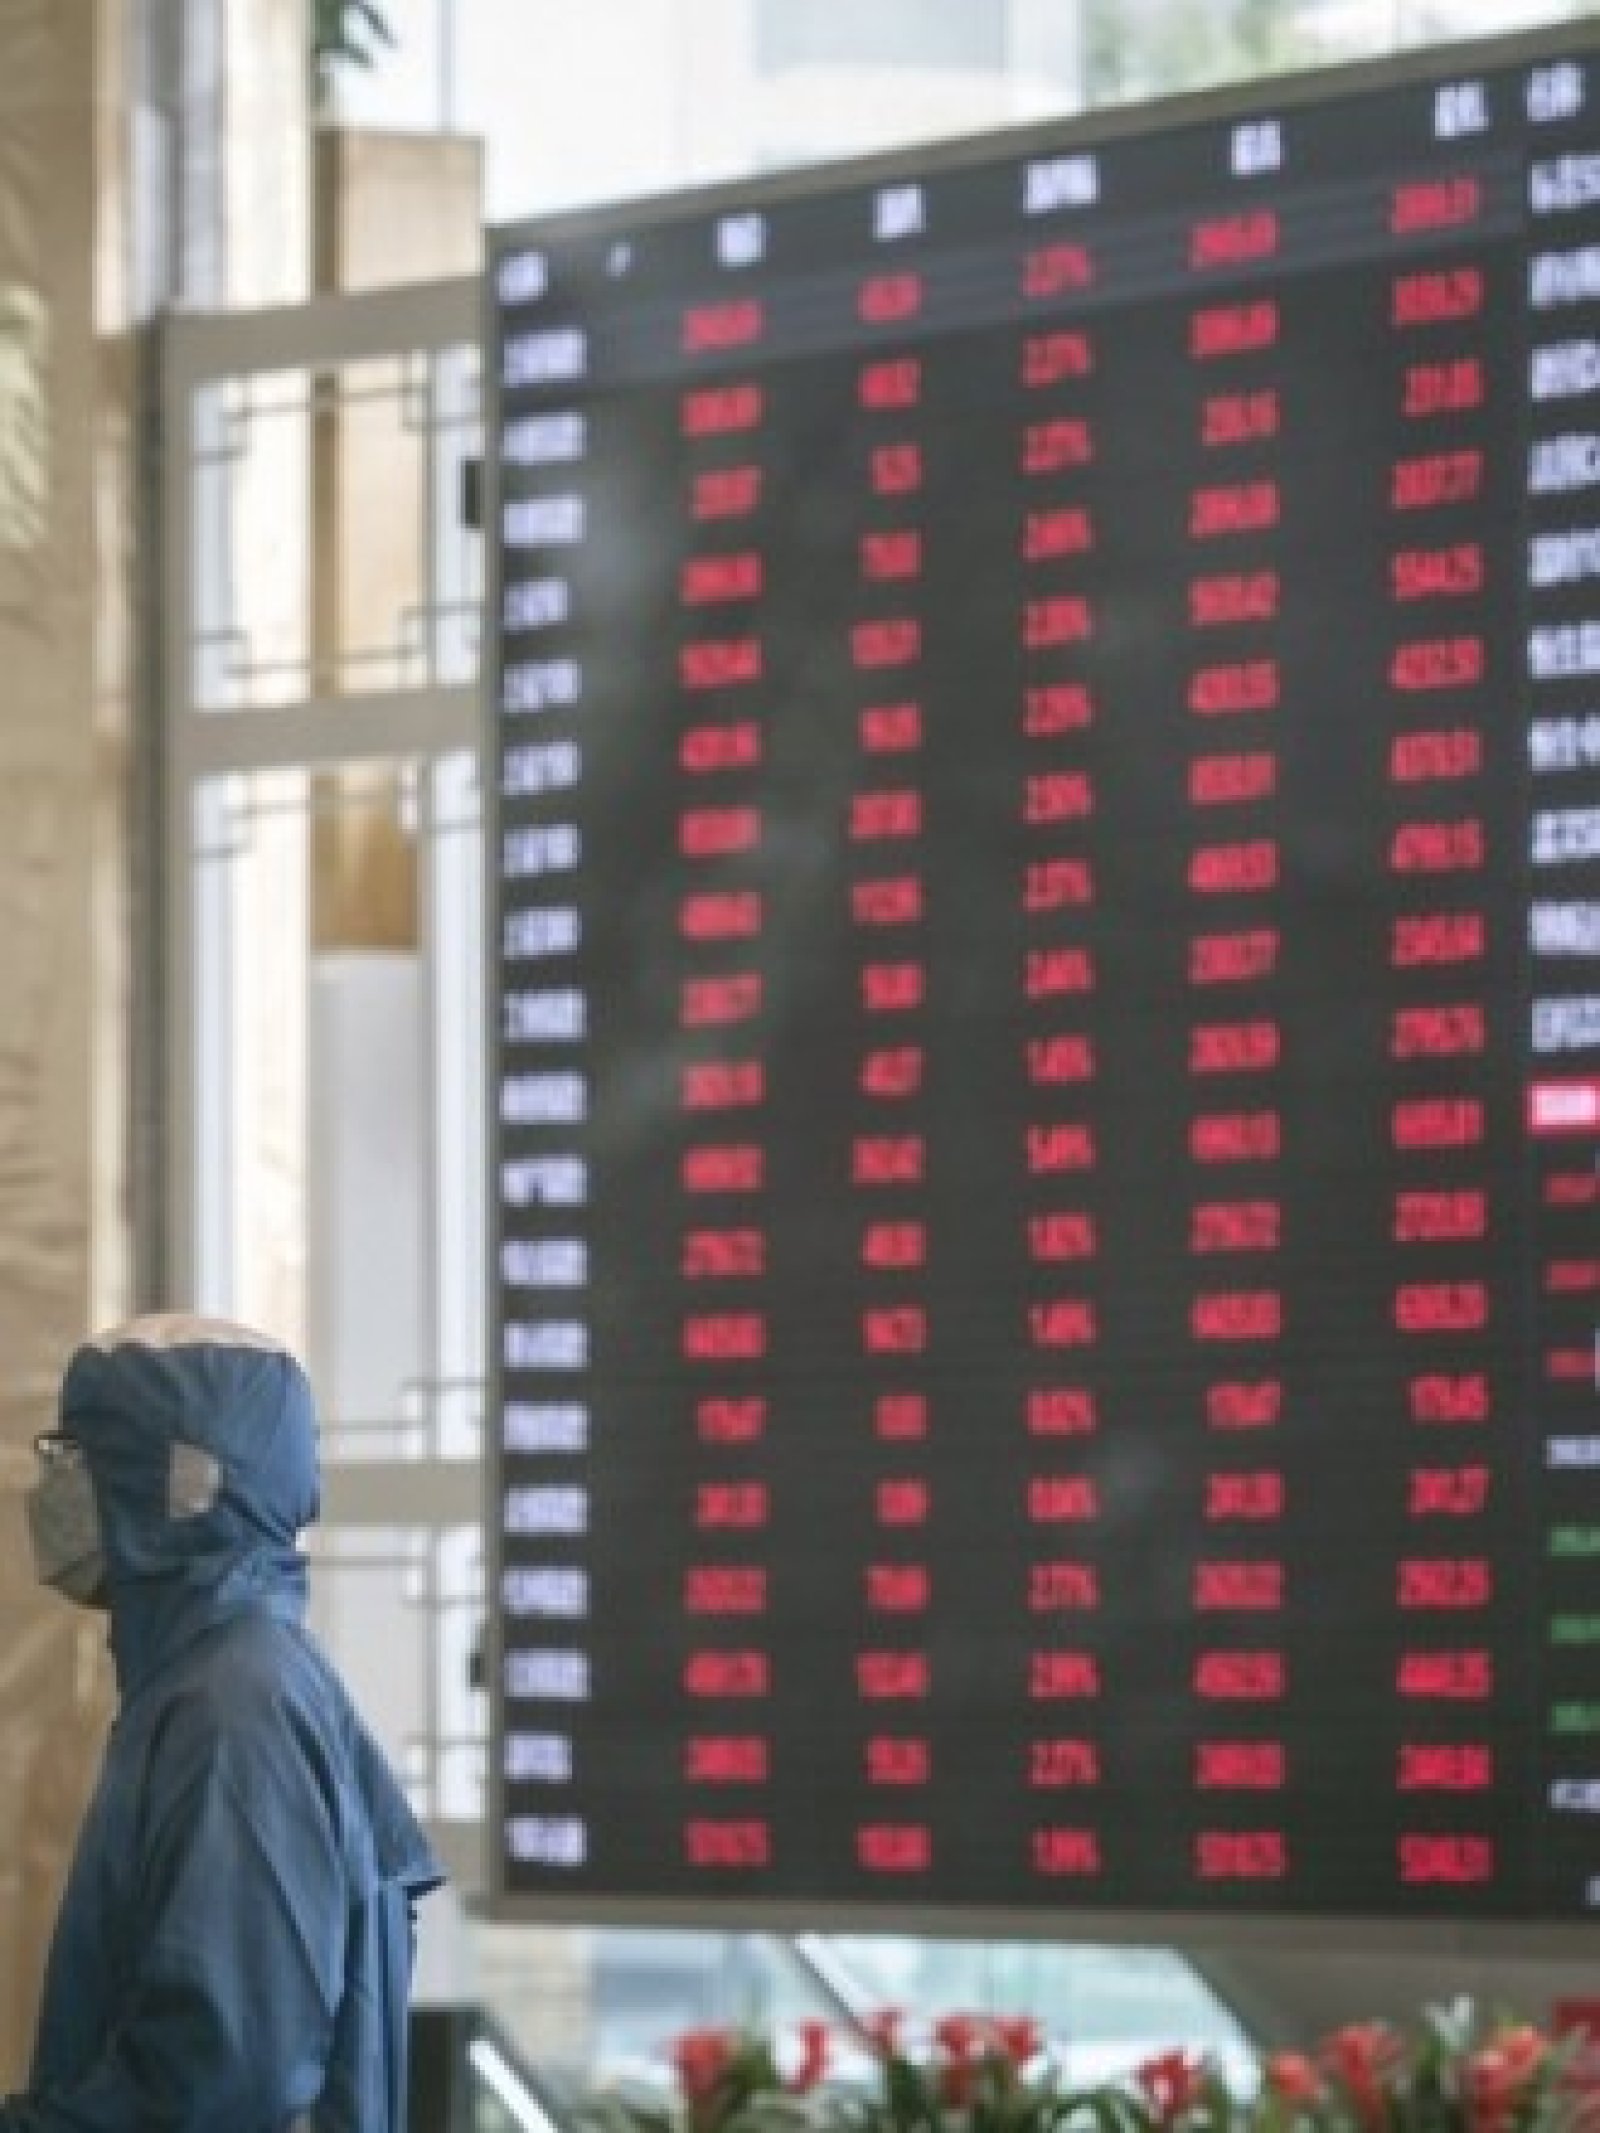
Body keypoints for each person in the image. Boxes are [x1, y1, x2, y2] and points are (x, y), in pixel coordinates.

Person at [2, 1313, 443, 2132]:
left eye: (73, 1456)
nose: (48, 1488)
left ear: (184, 1484)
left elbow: (220, 2076)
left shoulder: (235, 1709)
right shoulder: (226, 1680)